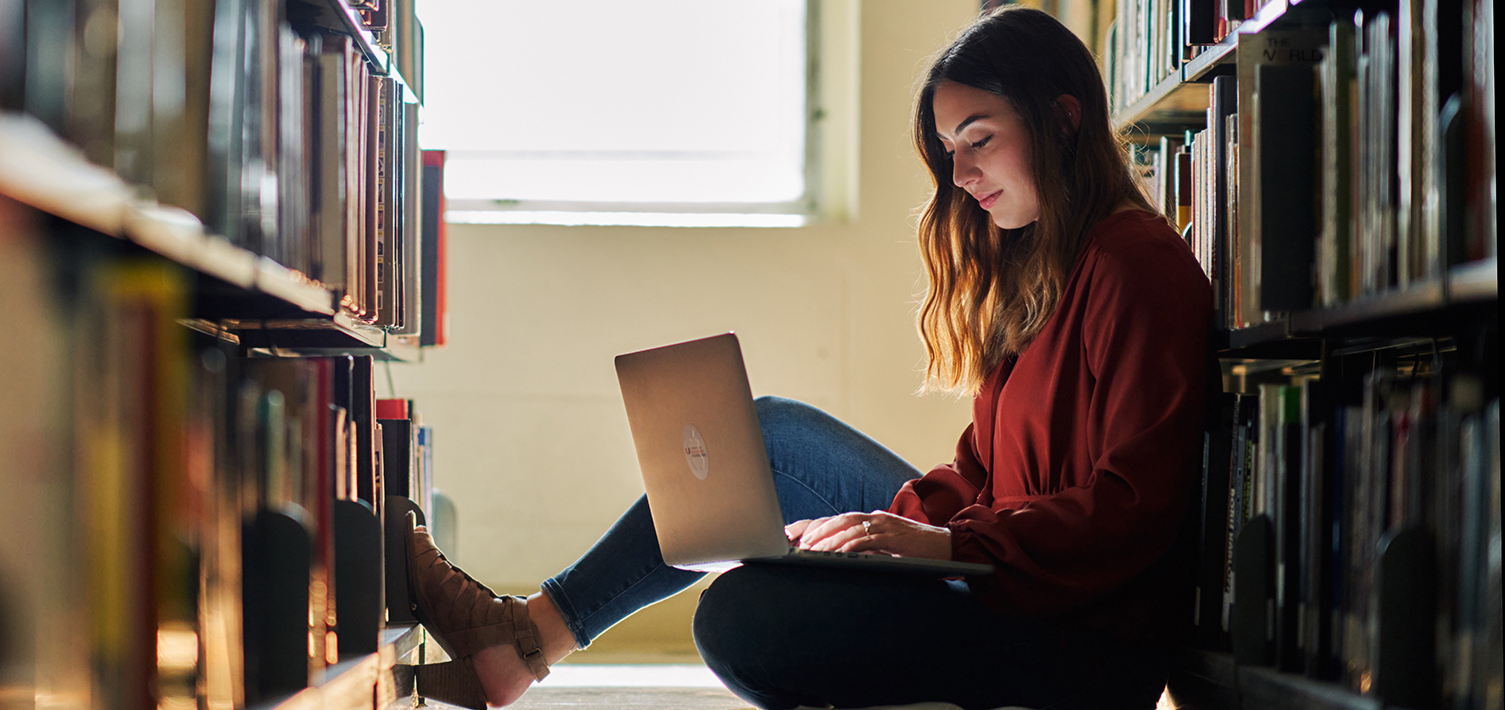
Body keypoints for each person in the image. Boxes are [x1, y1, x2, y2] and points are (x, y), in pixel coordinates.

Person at [403, 7, 1213, 709]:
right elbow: (983, 472)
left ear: (1064, 119)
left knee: (738, 616)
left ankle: (521, 644)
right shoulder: (1042, 270)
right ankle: (528, 636)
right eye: (947, 149)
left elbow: (1132, 508)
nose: (961, 176)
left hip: (1080, 635)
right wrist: (892, 531)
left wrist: (950, 547)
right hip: (1008, 571)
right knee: (766, 439)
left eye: (979, 140)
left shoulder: (1135, 266)